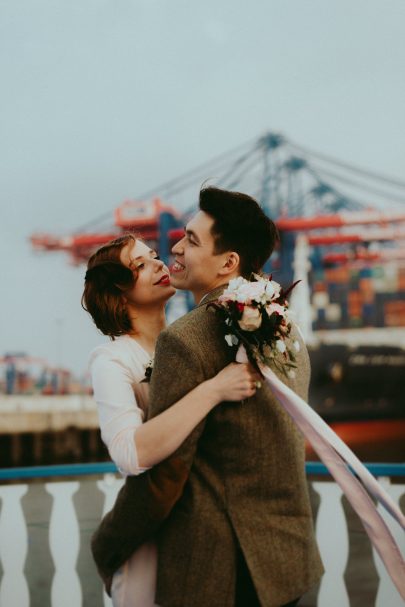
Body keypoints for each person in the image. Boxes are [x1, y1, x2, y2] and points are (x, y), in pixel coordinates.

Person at [92, 186, 324, 607]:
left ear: (228, 262)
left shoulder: (185, 339)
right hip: (288, 559)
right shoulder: (285, 325)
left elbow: (167, 474)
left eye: (191, 240)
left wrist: (107, 542)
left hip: (219, 570)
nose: (173, 249)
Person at [82, 233, 260, 606]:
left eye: (154, 256)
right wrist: (214, 390)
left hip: (204, 524)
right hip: (152, 534)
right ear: (118, 292)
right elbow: (128, 454)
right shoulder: (113, 360)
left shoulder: (192, 341)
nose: (160, 264)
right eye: (140, 265)